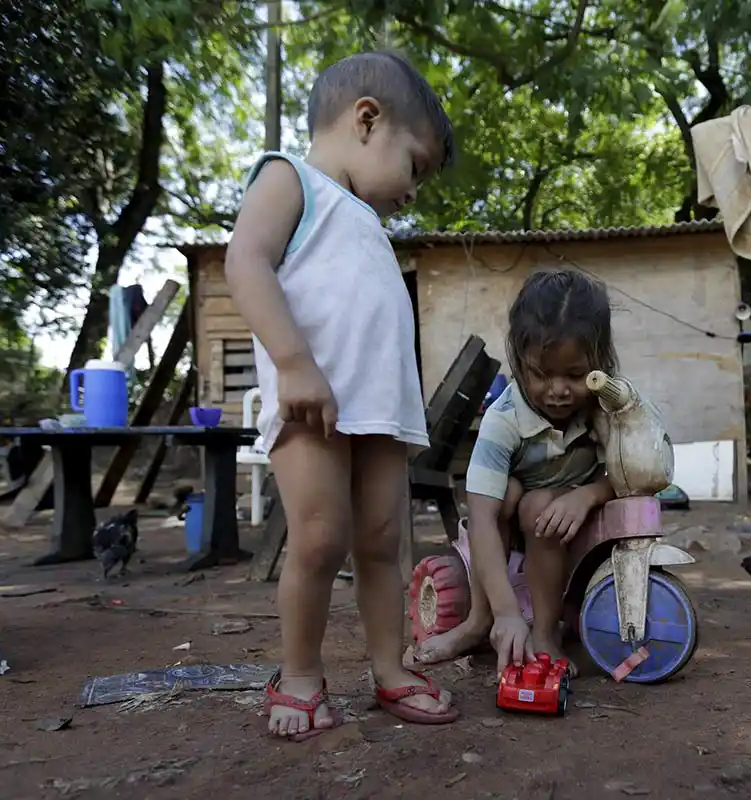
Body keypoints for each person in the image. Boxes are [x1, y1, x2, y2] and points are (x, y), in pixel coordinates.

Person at [224, 50, 459, 741]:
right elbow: (245, 260)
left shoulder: (368, 224)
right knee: (321, 540)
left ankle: (389, 669)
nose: (413, 190)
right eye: (414, 166)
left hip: (380, 413)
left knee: (385, 544)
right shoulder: (287, 177)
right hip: (312, 405)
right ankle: (298, 674)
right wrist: (294, 363)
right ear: (366, 120)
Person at [406, 269, 620, 675]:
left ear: (600, 361)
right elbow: (483, 515)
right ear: (519, 358)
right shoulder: (504, 419)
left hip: (584, 534)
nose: (557, 389)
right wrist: (505, 612)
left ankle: (544, 632)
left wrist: (589, 494)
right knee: (509, 494)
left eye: (574, 375)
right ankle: (480, 622)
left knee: (539, 503)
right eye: (541, 374)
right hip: (513, 531)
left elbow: (642, 473)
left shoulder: (610, 405)